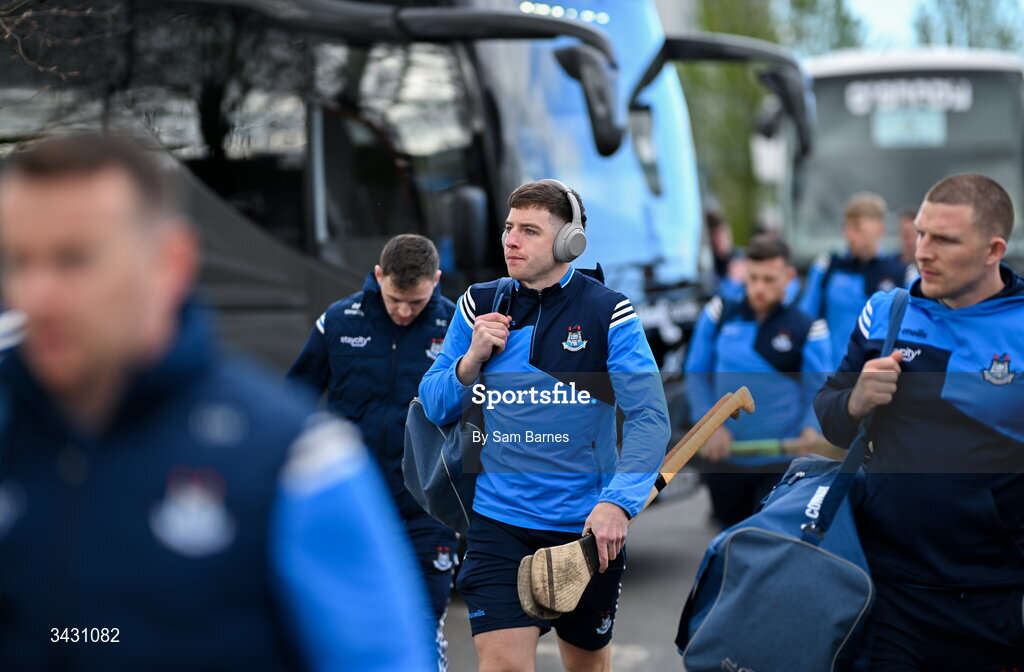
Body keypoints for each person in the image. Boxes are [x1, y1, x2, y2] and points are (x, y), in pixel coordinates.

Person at [0, 133, 435, 671]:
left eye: (74, 259)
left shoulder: (294, 462)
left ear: (171, 262)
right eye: (19, 261)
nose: (36, 294)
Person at [419, 179, 670, 672]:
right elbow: (433, 403)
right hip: (497, 525)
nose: (511, 240)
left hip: (585, 530)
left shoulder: (608, 312)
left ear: (568, 242)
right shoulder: (478, 303)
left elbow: (648, 416)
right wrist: (470, 362)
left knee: (587, 668)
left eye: (529, 231)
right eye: (509, 227)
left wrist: (617, 503)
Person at [815, 173, 1024, 671]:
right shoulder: (889, 312)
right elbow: (830, 412)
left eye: (945, 239)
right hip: (889, 587)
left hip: (997, 594)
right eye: (922, 233)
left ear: (994, 249)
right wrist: (856, 401)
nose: (923, 251)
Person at [287, 233, 458, 669]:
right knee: (347, 629)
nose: (404, 311)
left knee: (421, 626)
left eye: (416, 302)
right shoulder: (338, 321)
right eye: (395, 298)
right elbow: (293, 403)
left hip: (427, 509)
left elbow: (481, 415)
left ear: (436, 281)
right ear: (378, 276)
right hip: (354, 504)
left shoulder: (459, 327)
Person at [685, 235, 832, 528]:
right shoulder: (719, 313)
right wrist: (709, 426)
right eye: (753, 278)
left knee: (767, 542)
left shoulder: (809, 328)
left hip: (782, 464)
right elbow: (696, 373)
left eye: (769, 279)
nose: (759, 288)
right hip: (725, 460)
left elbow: (818, 390)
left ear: (789, 277)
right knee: (728, 542)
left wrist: (810, 429)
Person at [798, 192, 908, 368]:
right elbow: (805, 321)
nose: (850, 235)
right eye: (846, 227)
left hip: (881, 377)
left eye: (857, 227)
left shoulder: (901, 274)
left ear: (879, 228)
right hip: (834, 375)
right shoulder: (827, 267)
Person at [897, 205, 921, 286]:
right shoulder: (888, 268)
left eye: (908, 234)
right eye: (902, 234)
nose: (905, 241)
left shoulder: (930, 272)